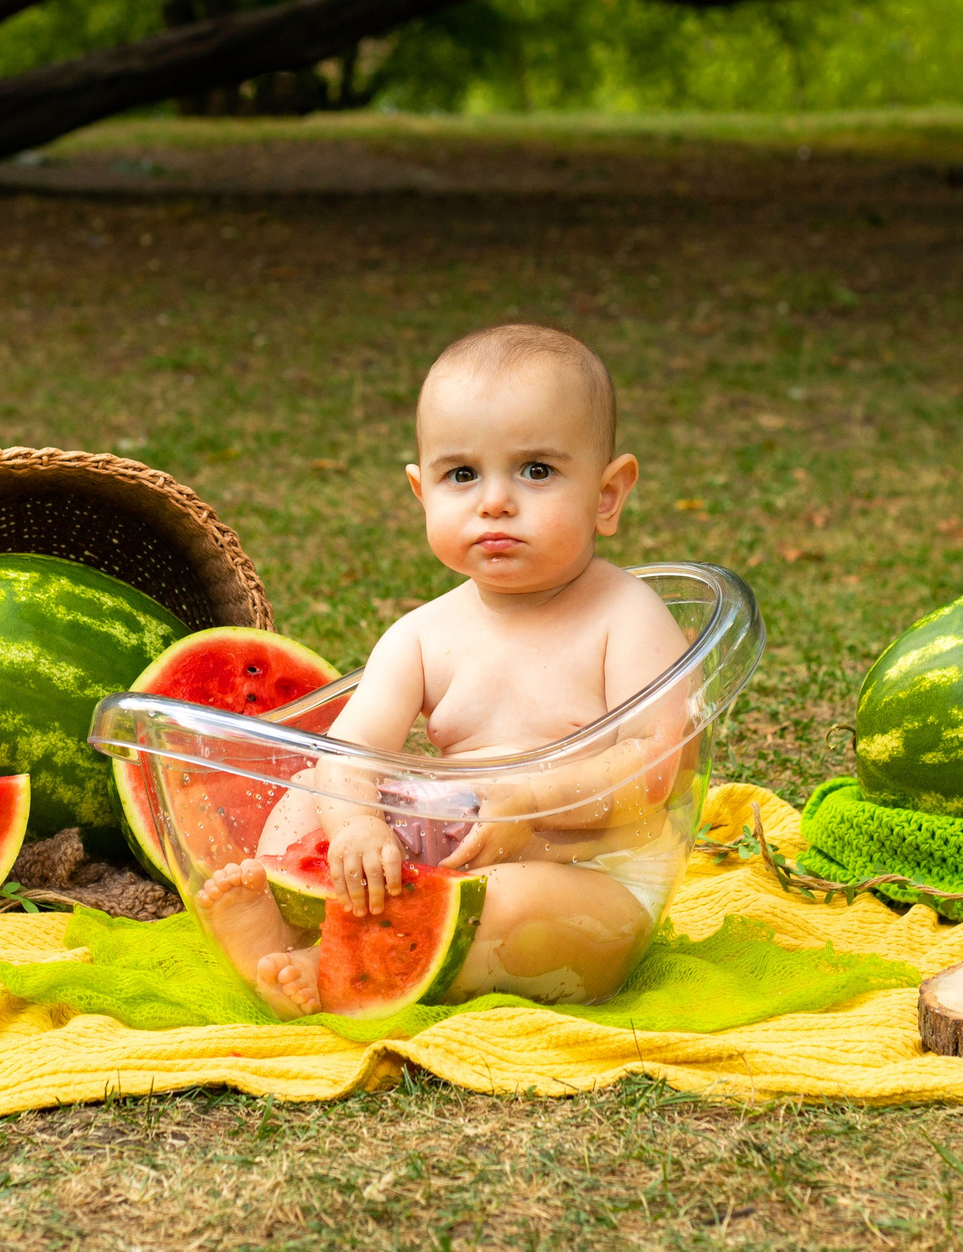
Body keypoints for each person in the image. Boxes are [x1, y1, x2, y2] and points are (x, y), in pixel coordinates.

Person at [196, 323, 691, 1014]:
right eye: (462, 474)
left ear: (607, 495)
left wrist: (533, 799)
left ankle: (340, 964)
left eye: (537, 470)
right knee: (313, 787)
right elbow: (347, 754)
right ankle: (296, 928)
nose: (495, 500)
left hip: (588, 871)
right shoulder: (421, 635)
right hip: (439, 849)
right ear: (422, 492)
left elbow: (659, 766)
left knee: (517, 903)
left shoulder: (625, 614)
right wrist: (360, 828)